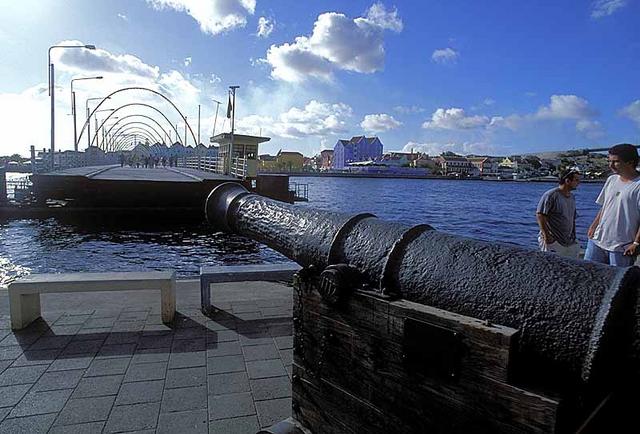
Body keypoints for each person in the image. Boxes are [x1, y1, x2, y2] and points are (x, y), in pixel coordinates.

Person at [585, 143, 640, 266]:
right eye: (609, 161)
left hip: (621, 246)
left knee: (618, 282)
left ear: (630, 162)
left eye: (616, 162)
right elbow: (605, 206)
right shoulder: (611, 180)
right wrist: (594, 226)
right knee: (589, 275)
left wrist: (636, 243)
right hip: (597, 240)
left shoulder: (637, 185)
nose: (611, 165)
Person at [536, 168, 581, 258]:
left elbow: (572, 218)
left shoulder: (572, 197)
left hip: (569, 241)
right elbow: (540, 215)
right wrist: (547, 237)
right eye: (576, 180)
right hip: (554, 241)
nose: (579, 183)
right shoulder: (551, 195)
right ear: (567, 181)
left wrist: (574, 237)